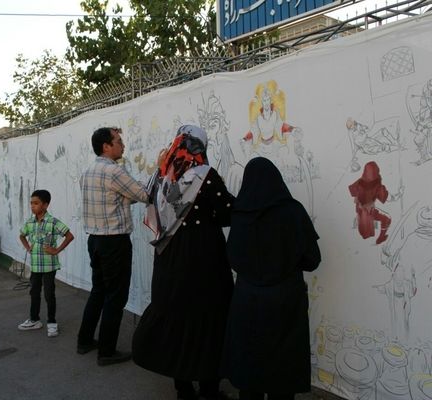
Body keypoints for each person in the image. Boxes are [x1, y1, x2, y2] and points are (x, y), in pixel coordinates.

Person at [132, 125, 235, 400]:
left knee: (177, 314)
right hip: (204, 254)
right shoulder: (205, 176)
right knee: (208, 316)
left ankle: (183, 387)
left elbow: (151, 209)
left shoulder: (162, 177)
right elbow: (227, 212)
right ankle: (209, 388)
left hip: (169, 254)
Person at [220, 157, 321, 400]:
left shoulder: (240, 213)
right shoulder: (293, 211)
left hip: (247, 298)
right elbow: (312, 259)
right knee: (282, 366)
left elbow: (233, 256)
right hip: (285, 299)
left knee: (250, 364)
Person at [77, 127, 150, 366]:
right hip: (114, 242)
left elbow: (118, 197)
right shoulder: (114, 171)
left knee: (99, 291)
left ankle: (85, 340)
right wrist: (160, 169)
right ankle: (107, 352)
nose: (123, 145)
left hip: (95, 240)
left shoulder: (88, 171)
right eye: (118, 141)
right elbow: (144, 194)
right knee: (115, 297)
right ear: (106, 146)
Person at [17, 190, 74, 338]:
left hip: (49, 265)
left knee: (49, 294)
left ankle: (52, 322)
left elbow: (69, 236)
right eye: (31, 203)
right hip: (35, 265)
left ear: (45, 205)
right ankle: (34, 319)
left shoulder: (53, 222)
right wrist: (28, 247)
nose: (32, 206)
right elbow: (22, 235)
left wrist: (56, 250)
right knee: (34, 292)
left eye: (36, 203)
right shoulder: (30, 222)